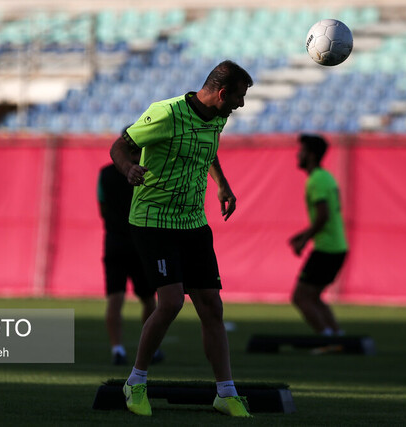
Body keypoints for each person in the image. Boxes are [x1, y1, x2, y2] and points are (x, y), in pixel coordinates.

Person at [110, 60, 253, 417]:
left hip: (192, 221)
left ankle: (225, 392)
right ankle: (136, 382)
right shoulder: (165, 113)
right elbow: (119, 146)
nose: (241, 104)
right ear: (222, 94)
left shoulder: (218, 117)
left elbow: (208, 150)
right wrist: (128, 168)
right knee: (171, 302)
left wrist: (222, 184)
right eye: (239, 97)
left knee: (211, 306)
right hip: (153, 220)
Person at [97, 138, 164, 366]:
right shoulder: (146, 173)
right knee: (148, 299)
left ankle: (117, 348)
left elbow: (102, 206)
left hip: (114, 241)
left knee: (115, 298)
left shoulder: (105, 174)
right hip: (140, 242)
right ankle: (151, 349)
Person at [288, 134, 348, 337]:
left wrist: (304, 240)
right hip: (336, 247)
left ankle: (326, 338)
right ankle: (337, 335)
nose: (298, 155)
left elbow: (323, 216)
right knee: (313, 296)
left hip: (327, 249)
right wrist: (302, 235)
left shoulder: (316, 180)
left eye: (302, 151)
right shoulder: (326, 176)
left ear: (311, 156)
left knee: (300, 297)